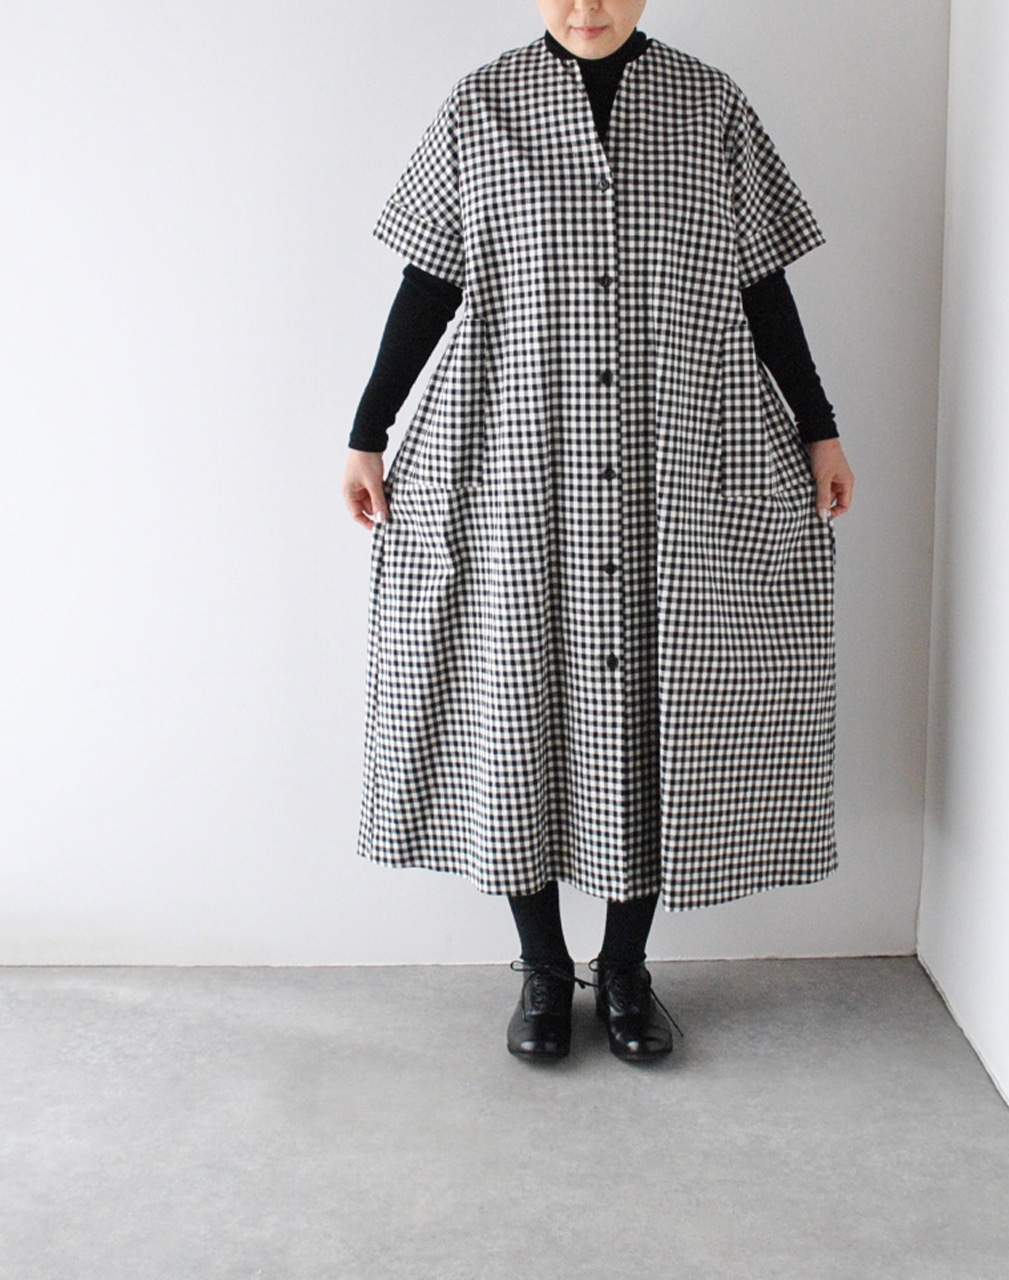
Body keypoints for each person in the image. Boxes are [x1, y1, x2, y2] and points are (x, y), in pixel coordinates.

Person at [341, 0, 855, 1066]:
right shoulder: (480, 107)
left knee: (662, 704)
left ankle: (624, 966)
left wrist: (818, 426)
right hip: (517, 460)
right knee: (514, 698)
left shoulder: (710, 106)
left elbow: (763, 285)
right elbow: (428, 283)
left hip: (680, 462)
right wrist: (367, 432)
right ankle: (543, 966)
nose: (586, 8)